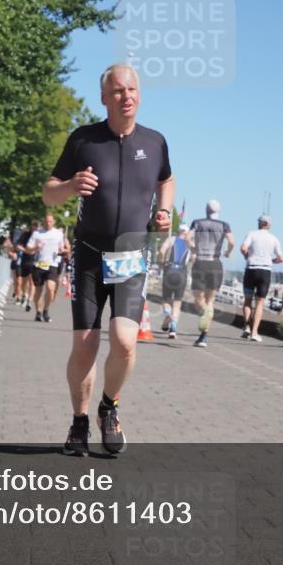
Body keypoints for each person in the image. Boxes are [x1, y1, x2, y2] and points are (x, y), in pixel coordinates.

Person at [43, 63, 174, 456]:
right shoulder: (84, 140)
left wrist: (165, 212)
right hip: (88, 254)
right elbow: (49, 193)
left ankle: (108, 406)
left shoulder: (155, 142)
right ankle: (79, 422)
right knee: (85, 345)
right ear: (104, 97)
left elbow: (166, 179)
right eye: (118, 91)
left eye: (132, 89)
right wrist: (68, 186)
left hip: (131, 255)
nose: (126, 96)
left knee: (124, 343)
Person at [188, 199, 235, 348]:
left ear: (206, 210)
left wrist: (193, 248)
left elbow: (187, 237)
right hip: (215, 262)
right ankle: (204, 336)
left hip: (200, 261)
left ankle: (203, 319)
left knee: (198, 298)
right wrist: (227, 252)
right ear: (218, 210)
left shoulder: (197, 222)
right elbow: (232, 242)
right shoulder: (224, 225)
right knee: (210, 300)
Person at [240, 215, 283, 342]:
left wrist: (247, 256)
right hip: (265, 271)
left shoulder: (251, 234)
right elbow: (281, 258)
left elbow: (243, 248)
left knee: (247, 300)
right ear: (269, 225)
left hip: (251, 269)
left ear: (259, 224)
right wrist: (272, 261)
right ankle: (254, 332)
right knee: (260, 302)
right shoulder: (274, 239)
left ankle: (247, 327)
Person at [25, 212, 67, 322]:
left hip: (52, 264)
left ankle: (46, 310)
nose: (48, 223)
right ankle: (38, 312)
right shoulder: (37, 233)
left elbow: (62, 248)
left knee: (50, 288)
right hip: (38, 264)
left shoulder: (58, 234)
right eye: (46, 221)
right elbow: (28, 249)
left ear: (54, 222)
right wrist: (35, 247)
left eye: (50, 221)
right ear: (44, 222)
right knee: (38, 291)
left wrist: (61, 250)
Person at [158, 225, 190, 339]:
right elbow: (194, 258)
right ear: (187, 233)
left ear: (177, 231)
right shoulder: (189, 243)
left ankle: (167, 315)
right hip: (182, 273)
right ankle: (173, 330)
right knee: (177, 302)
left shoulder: (171, 239)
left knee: (166, 299)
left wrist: (162, 263)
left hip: (170, 270)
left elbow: (162, 250)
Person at [15, 220, 39, 311]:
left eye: (37, 226)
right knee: (23, 282)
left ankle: (30, 300)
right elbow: (17, 245)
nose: (35, 228)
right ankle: (24, 295)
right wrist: (26, 250)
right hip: (25, 260)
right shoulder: (25, 234)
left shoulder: (40, 236)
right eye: (34, 226)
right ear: (31, 226)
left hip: (36, 261)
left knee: (32, 282)